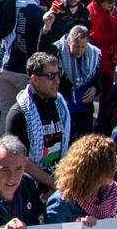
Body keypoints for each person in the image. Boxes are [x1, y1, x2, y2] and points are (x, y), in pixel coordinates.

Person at [6, 51, 70, 189]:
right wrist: (51, 183)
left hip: (59, 180)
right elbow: (19, 158)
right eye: (51, 76)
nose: (57, 81)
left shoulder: (61, 107)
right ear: (35, 79)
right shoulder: (19, 113)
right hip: (28, 187)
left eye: (58, 75)